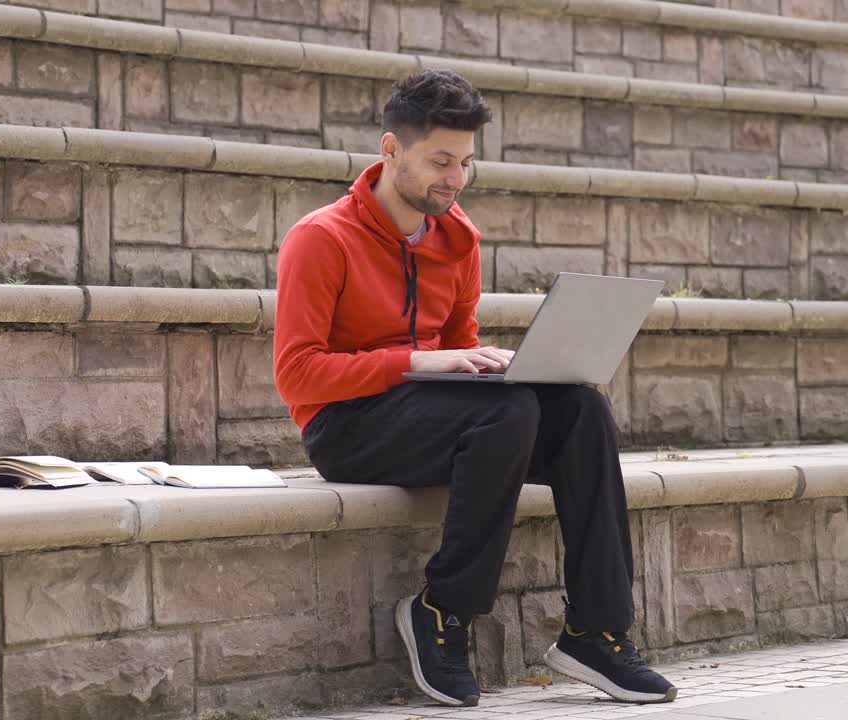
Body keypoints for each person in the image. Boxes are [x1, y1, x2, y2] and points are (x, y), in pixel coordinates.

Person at [273, 69, 677, 707]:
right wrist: (416, 362)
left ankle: (596, 629)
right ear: (389, 151)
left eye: (464, 162)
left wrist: (493, 363)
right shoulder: (321, 239)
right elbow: (298, 374)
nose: (454, 178)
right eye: (439, 160)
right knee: (508, 413)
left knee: (579, 409)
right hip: (347, 428)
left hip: (436, 420)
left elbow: (463, 342)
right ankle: (443, 612)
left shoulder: (458, 239)